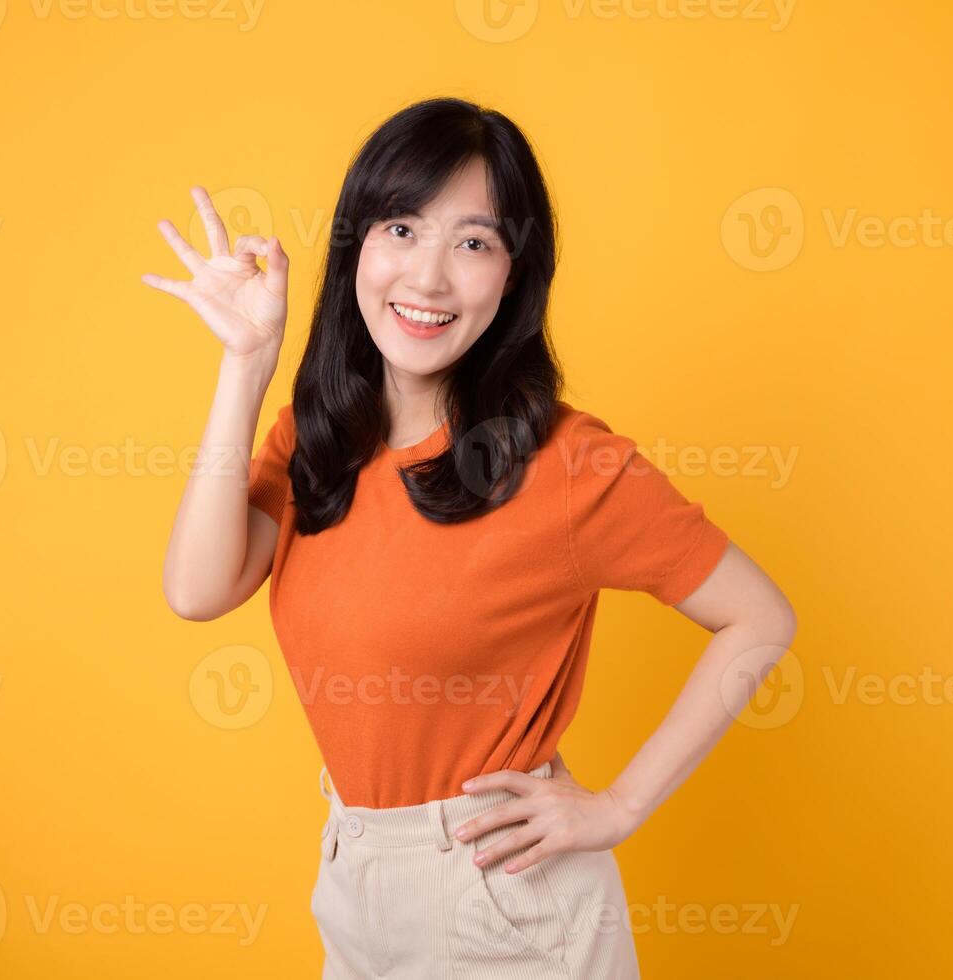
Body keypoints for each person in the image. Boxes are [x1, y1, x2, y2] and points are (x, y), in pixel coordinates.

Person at [144, 97, 796, 979]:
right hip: (353, 877)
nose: (429, 279)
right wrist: (247, 365)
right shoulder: (314, 440)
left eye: (474, 242)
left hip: (505, 904)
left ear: (513, 276)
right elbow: (195, 591)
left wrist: (619, 806)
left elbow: (760, 620)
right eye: (402, 228)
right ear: (355, 248)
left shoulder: (570, 466)